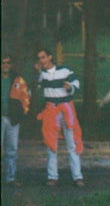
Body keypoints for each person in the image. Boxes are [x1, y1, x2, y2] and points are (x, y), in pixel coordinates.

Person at [35, 47, 84, 186]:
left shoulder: (64, 70)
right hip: (51, 109)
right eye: (39, 58)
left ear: (50, 57)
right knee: (51, 143)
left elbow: (76, 83)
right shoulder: (41, 74)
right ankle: (52, 176)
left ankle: (77, 176)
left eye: (43, 57)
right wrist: (37, 72)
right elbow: (37, 85)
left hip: (66, 108)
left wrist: (70, 87)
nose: (41, 60)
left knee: (72, 143)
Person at [2, 54, 30, 186]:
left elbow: (26, 97)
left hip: (13, 120)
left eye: (8, 62)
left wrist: (21, 114)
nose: (5, 65)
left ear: (11, 64)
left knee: (12, 150)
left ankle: (10, 178)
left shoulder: (18, 80)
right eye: (3, 63)